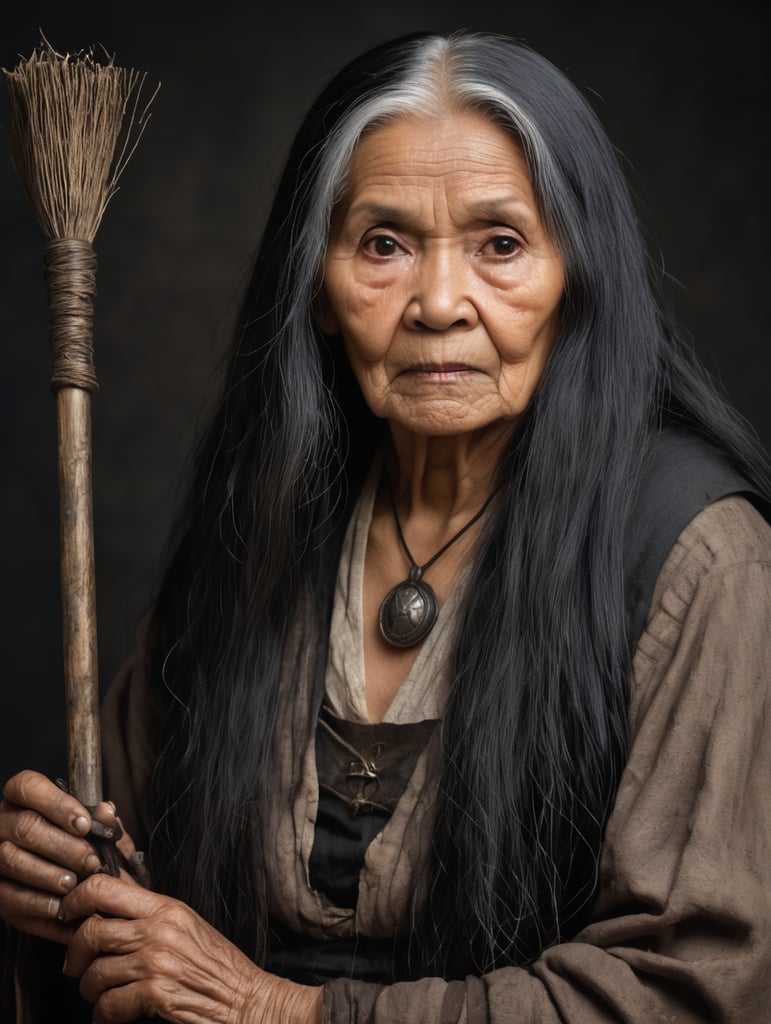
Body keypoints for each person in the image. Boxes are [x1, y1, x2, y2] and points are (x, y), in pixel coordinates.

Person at [2, 28, 771, 1024]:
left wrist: (276, 1009)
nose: (439, 303)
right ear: (316, 291)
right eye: (384, 244)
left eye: (500, 244)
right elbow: (127, 912)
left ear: (576, 284)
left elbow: (696, 990)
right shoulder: (263, 529)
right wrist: (66, 886)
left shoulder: (701, 563)